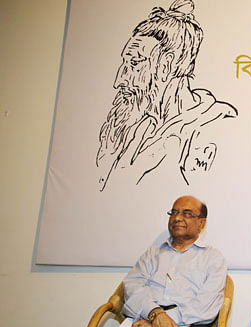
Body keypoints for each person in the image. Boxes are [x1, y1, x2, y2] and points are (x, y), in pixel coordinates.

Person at [83, 195, 227, 327]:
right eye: (174, 212)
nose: (178, 218)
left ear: (201, 223)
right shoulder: (152, 255)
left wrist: (162, 321)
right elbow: (132, 288)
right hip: (143, 322)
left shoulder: (213, 258)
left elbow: (205, 305)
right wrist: (154, 314)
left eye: (187, 213)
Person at [96, 0, 237, 191]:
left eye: (135, 63)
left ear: (166, 65)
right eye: (124, 63)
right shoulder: (141, 129)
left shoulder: (216, 126)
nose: (120, 79)